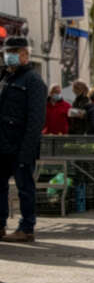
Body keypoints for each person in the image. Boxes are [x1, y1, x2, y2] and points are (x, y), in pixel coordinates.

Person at [0, 36, 46, 242]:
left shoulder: (33, 80)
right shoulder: (6, 78)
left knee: (25, 189)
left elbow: (36, 119)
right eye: (7, 52)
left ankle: (27, 227)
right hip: (3, 144)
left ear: (26, 54)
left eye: (14, 52)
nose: (9, 56)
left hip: (20, 145)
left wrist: (27, 149)